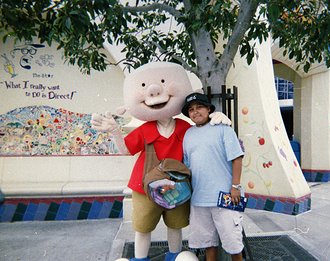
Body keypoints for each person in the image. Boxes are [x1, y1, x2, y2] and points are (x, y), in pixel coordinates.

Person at [91, 62, 231, 261]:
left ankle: (174, 256)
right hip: (144, 188)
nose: (155, 92)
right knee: (143, 227)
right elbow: (126, 150)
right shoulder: (145, 129)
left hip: (178, 187)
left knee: (175, 226)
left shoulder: (185, 127)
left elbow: (203, 138)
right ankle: (140, 258)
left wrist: (214, 118)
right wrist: (115, 132)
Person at [182, 93, 245, 261]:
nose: (195, 112)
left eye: (199, 107)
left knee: (234, 245)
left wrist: (236, 187)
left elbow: (237, 158)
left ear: (209, 109)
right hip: (199, 198)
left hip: (227, 196)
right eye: (191, 109)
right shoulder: (188, 134)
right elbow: (188, 165)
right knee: (208, 244)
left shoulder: (223, 128)